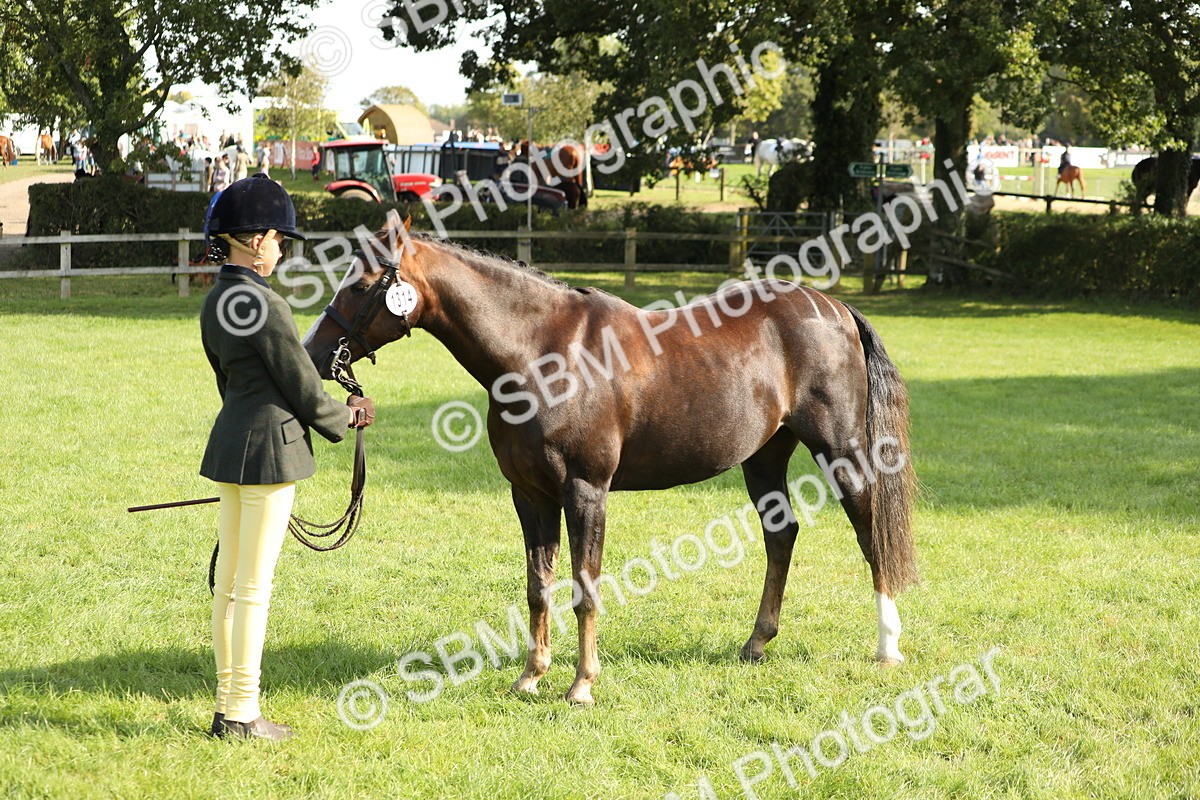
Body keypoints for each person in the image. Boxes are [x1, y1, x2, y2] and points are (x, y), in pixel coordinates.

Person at [199, 175, 376, 741]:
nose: (283, 250)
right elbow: (302, 388)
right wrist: (347, 416)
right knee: (252, 587)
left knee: (229, 584)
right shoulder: (266, 305)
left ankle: (229, 707)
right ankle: (243, 714)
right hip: (270, 454)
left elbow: (229, 381)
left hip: (231, 446)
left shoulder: (215, 299)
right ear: (254, 240)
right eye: (281, 240)